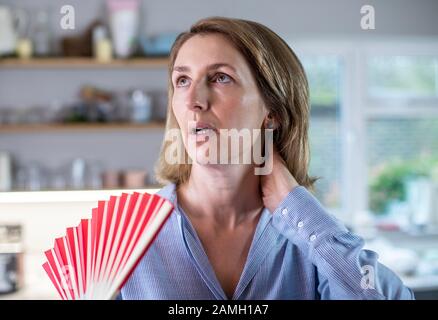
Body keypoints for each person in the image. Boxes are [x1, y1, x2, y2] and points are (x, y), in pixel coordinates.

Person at [119, 17, 414, 300]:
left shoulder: (308, 240)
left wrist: (297, 209)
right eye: (182, 80)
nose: (193, 100)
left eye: (220, 78)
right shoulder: (124, 239)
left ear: (271, 113)